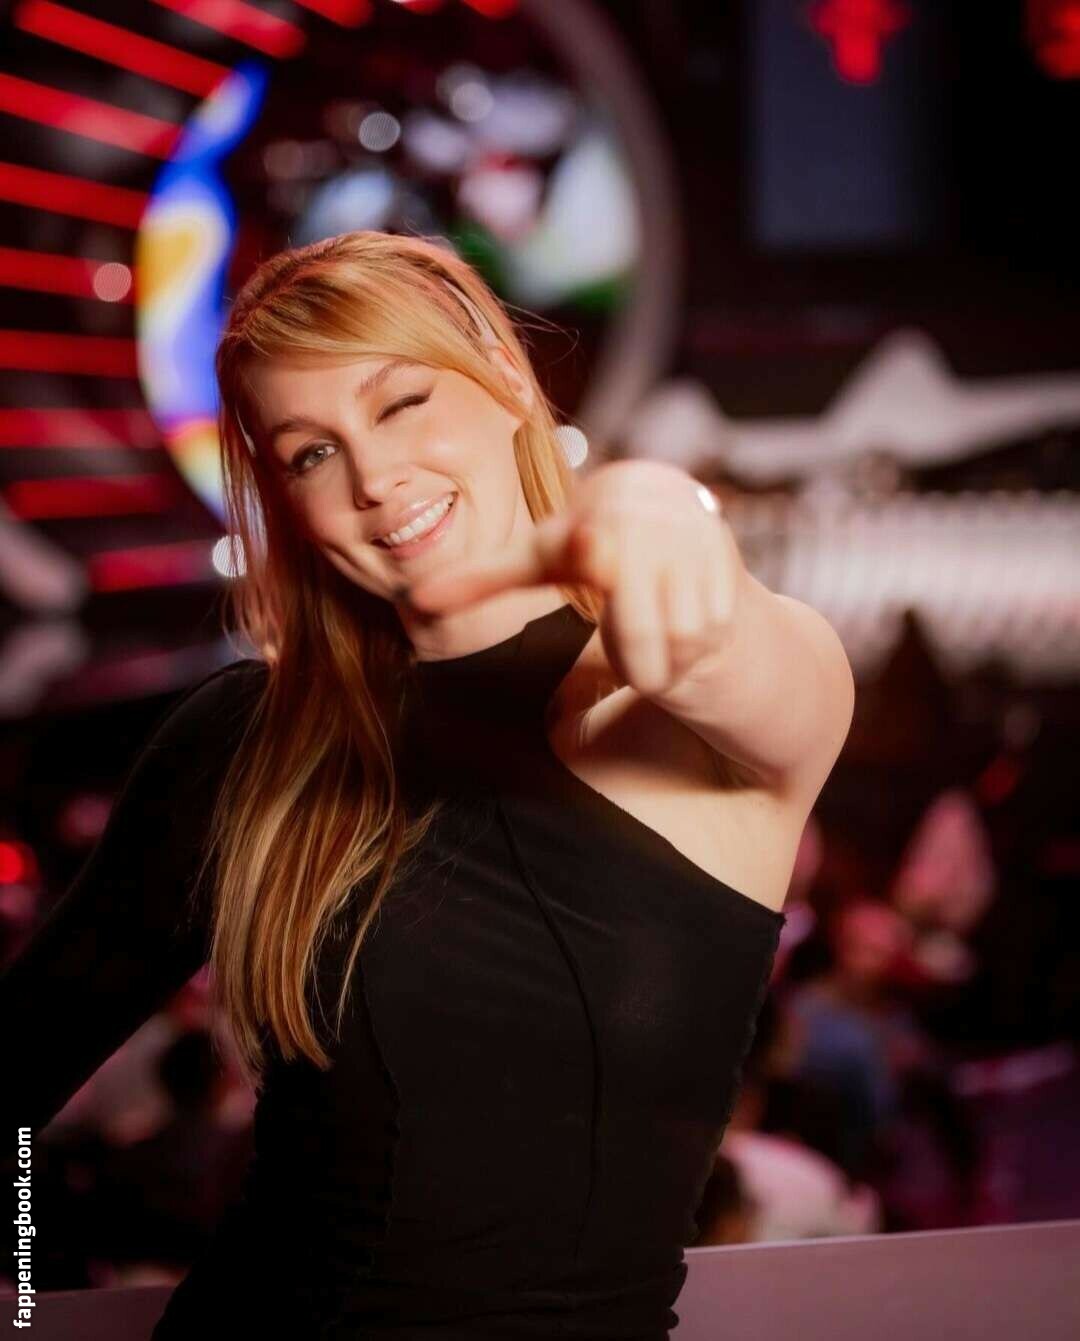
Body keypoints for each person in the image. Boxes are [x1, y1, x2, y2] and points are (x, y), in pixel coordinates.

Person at [0, 229, 854, 1338]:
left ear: (508, 380)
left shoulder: (690, 713)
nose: (373, 478)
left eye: (402, 402)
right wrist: (23, 1289)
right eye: (312, 453)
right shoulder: (248, 744)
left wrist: (669, 526)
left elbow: (730, 659)